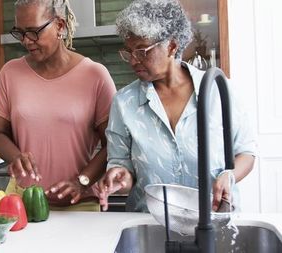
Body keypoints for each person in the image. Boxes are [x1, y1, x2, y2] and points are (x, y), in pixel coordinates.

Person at [97, 0, 256, 212]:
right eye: (129, 52)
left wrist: (230, 176)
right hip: (149, 222)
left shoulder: (218, 90)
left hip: (214, 219)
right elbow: (120, 162)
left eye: (142, 51)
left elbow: (246, 152)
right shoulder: (124, 103)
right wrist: (121, 175)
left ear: (171, 46)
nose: (133, 60)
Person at [0, 0, 117, 211]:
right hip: (22, 201)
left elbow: (112, 145)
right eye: (20, 32)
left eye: (33, 31)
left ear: (59, 26)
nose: (26, 41)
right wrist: (16, 156)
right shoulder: (10, 73)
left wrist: (82, 181)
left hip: (79, 204)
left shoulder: (95, 76)